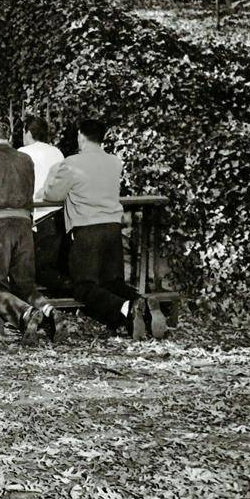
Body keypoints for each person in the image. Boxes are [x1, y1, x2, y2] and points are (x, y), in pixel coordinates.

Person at [43, 119, 165, 338]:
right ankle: (142, 303)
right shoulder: (114, 162)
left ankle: (126, 309)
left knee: (84, 286)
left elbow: (53, 195)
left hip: (86, 229)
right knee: (112, 281)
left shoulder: (72, 163)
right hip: (112, 227)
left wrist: (51, 177)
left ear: (80, 135)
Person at [0, 121, 63, 345]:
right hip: (24, 225)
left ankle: (25, 313)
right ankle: (50, 311)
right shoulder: (25, 160)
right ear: (9, 137)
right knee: (25, 284)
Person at [18, 116, 69, 295]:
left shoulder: (22, 152)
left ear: (29, 132)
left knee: (37, 266)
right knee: (54, 261)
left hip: (38, 214)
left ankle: (72, 290)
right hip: (59, 211)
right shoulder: (56, 152)